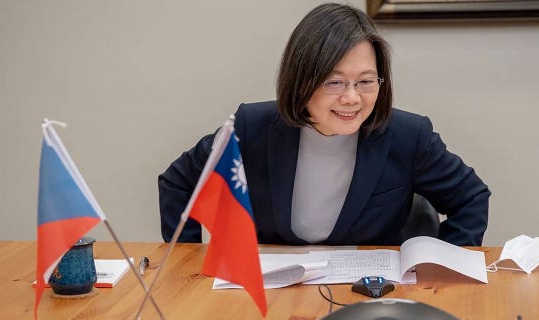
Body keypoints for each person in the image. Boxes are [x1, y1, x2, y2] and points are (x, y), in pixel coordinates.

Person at [158, 3, 490, 246]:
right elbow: (178, 183)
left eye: (366, 81)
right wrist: (187, 262)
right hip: (273, 296)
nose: (352, 98)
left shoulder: (408, 136)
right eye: (334, 82)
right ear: (301, 82)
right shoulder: (252, 128)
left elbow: (471, 197)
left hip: (365, 297)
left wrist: (441, 267)